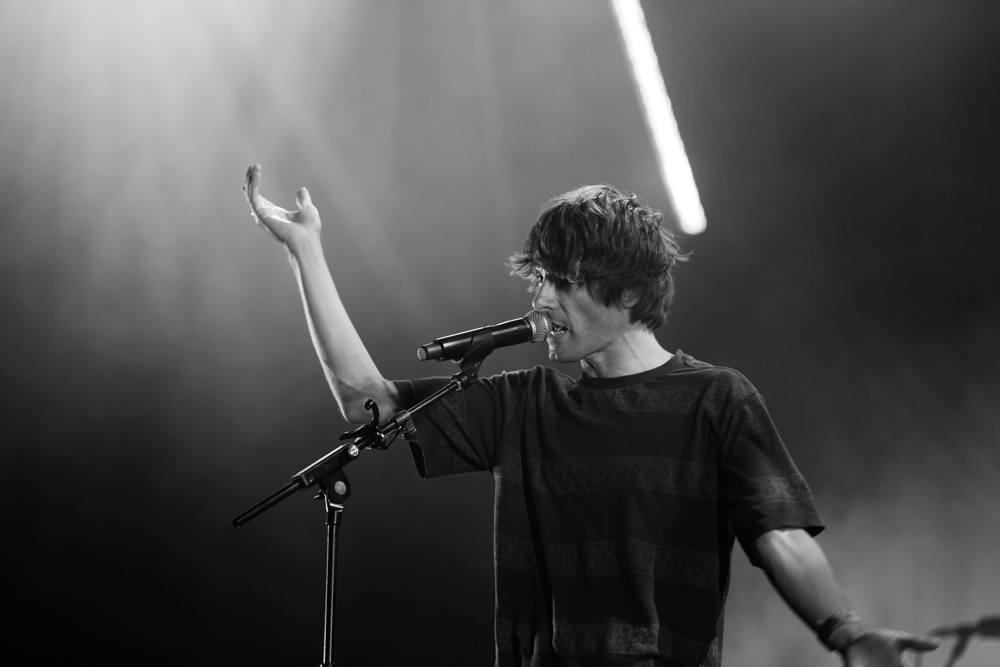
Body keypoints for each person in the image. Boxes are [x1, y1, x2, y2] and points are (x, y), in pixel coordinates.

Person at [242, 164, 939, 667]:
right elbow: (367, 400)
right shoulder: (524, 403)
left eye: (562, 282)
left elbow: (779, 535)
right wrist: (307, 252)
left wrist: (846, 632)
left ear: (629, 293)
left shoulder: (717, 400)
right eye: (539, 280)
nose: (540, 301)